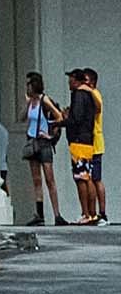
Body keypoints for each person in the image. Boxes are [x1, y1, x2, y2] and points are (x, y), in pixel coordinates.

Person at [23, 72, 67, 226]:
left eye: (28, 84)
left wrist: (50, 134)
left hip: (43, 142)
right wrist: (27, 104)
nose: (26, 87)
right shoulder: (31, 102)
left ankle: (57, 214)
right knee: (36, 179)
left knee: (50, 179)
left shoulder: (44, 100)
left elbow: (59, 116)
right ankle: (39, 213)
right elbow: (23, 118)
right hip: (32, 141)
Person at [64, 70, 100, 225]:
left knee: (80, 178)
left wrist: (64, 120)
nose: (69, 83)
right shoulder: (90, 95)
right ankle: (92, 213)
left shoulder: (78, 95)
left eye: (71, 80)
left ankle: (86, 213)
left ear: (77, 81)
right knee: (88, 177)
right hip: (88, 140)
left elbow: (76, 118)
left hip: (78, 140)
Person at [89, 67, 107, 227]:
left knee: (96, 179)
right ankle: (93, 213)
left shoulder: (95, 94)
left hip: (95, 142)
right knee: (91, 179)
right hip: (92, 141)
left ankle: (101, 213)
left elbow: (98, 107)